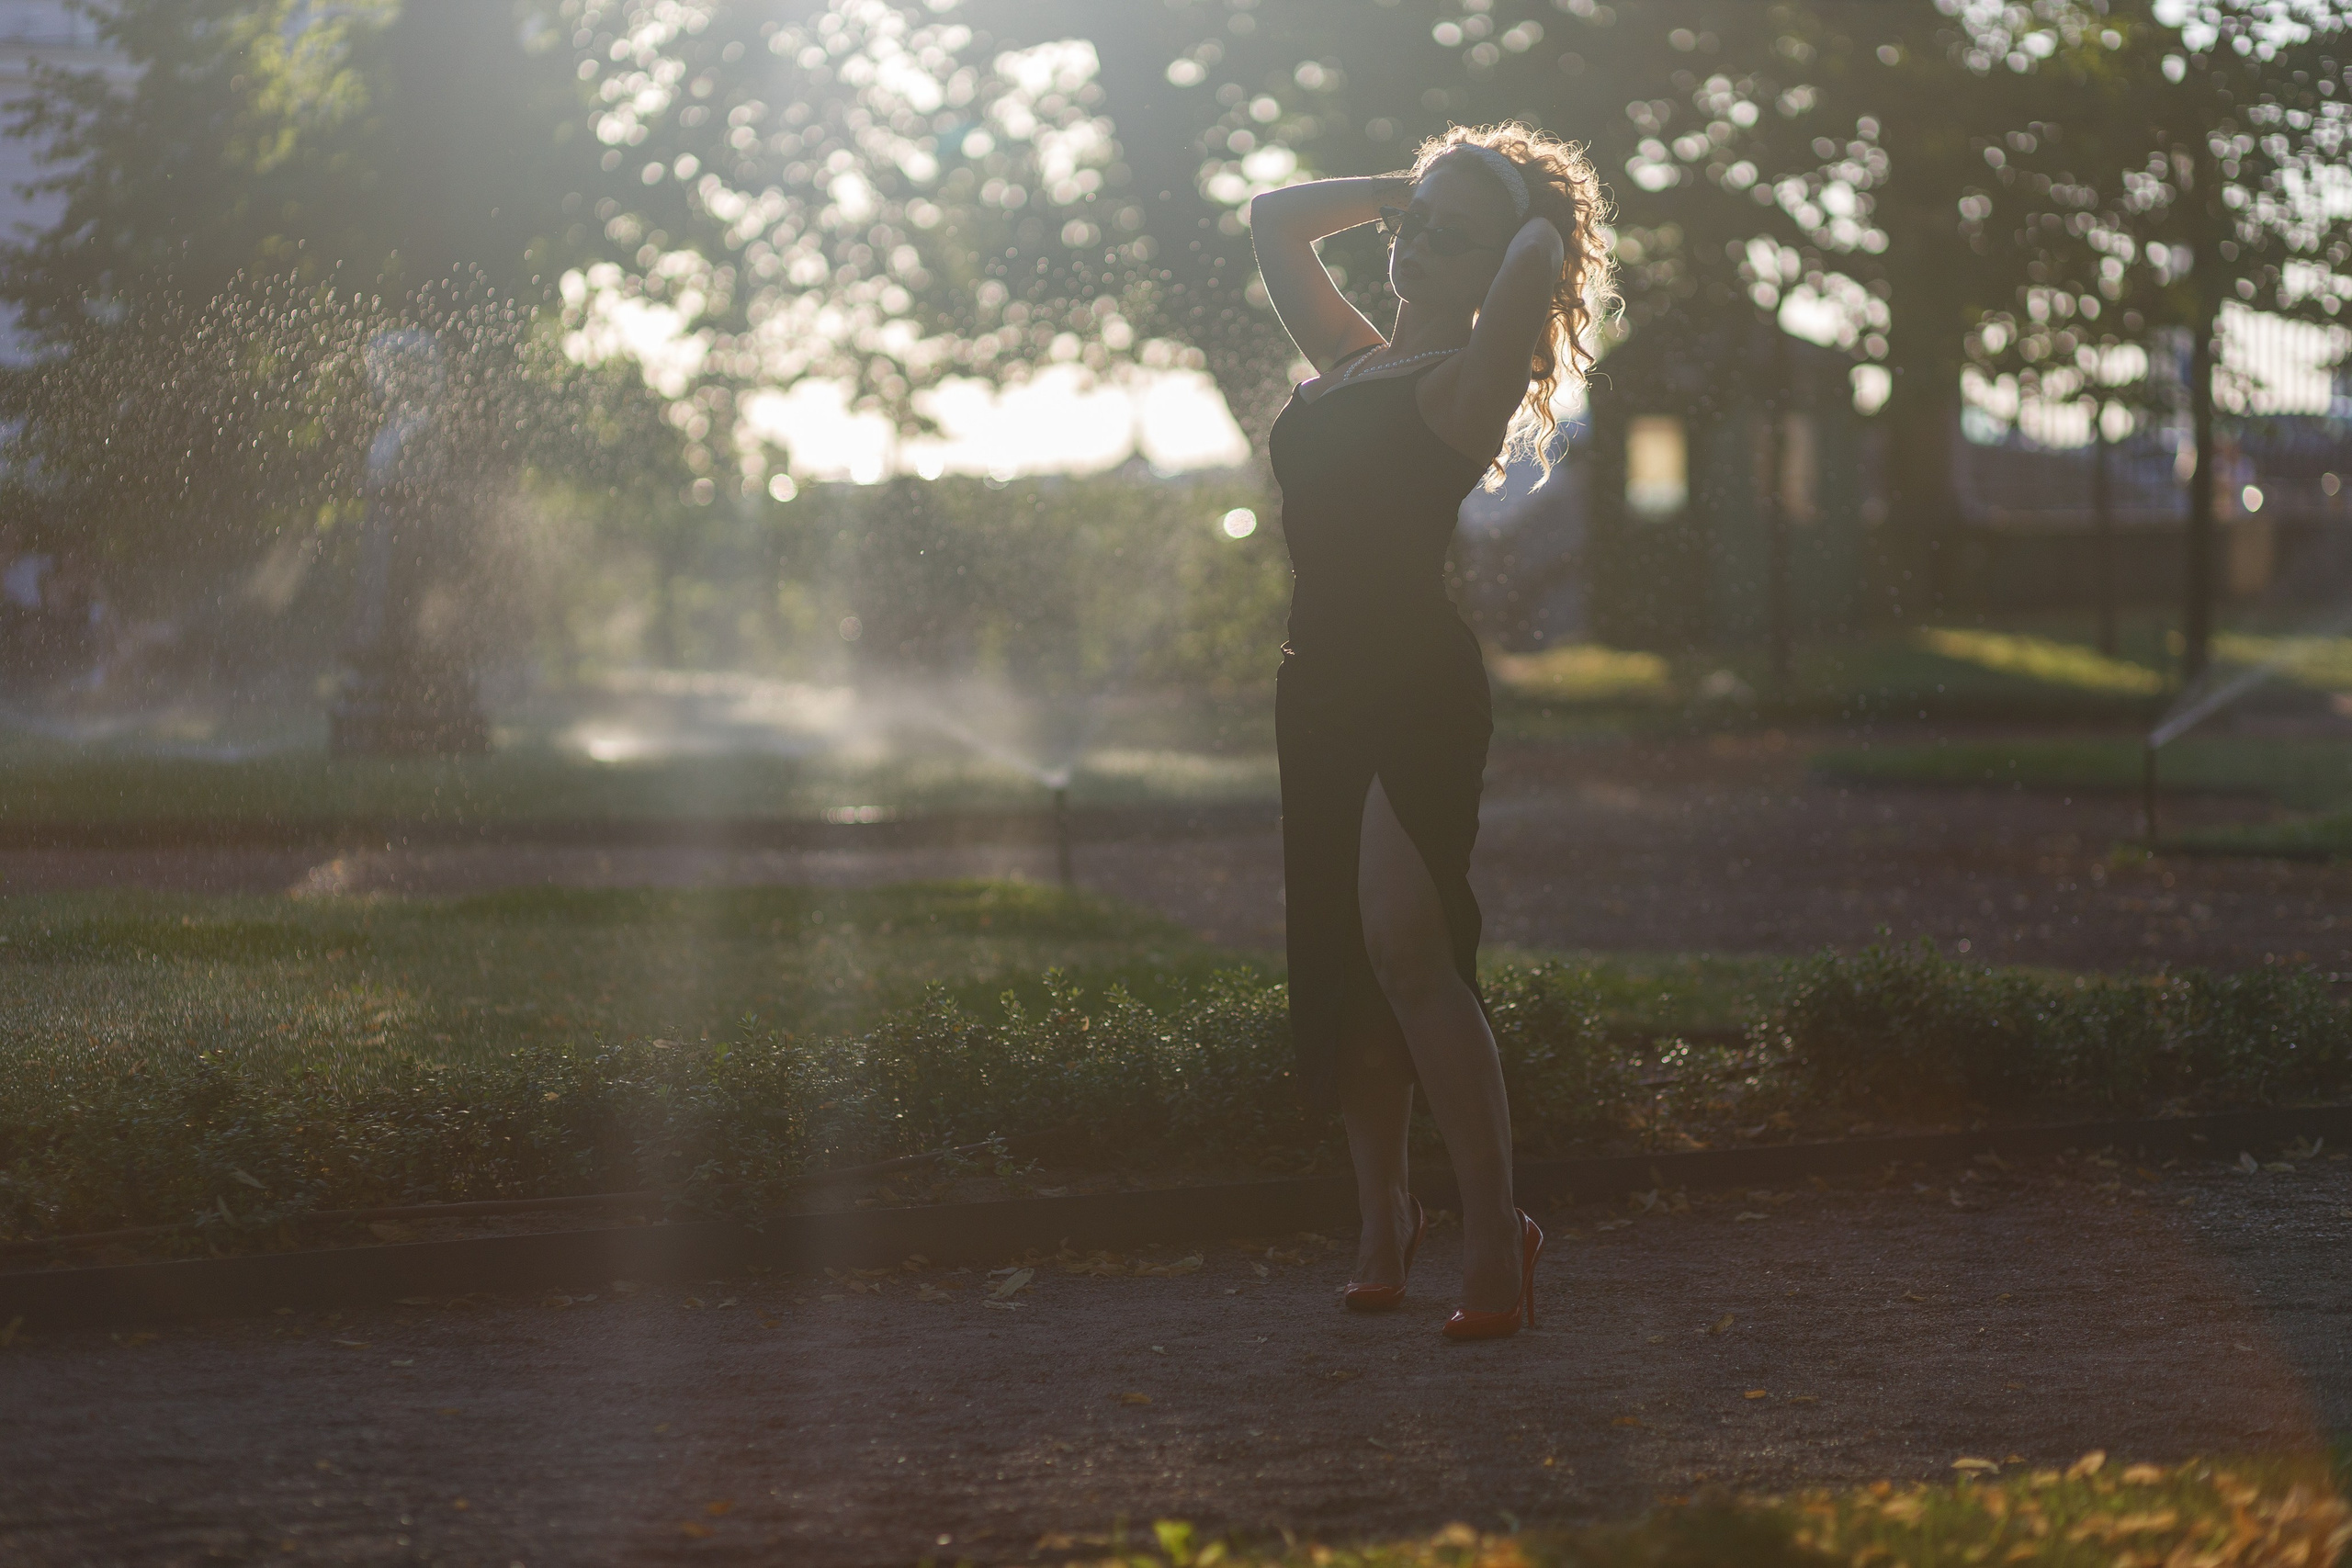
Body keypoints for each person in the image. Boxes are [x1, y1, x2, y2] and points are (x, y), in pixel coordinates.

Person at [1247, 122, 1614, 1340]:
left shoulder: (1466, 382)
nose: (1419, 241)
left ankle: (1497, 1227)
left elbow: (1526, 270)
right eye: (1416, 222)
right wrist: (1411, 186)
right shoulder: (1348, 360)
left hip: (1414, 685)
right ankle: (1382, 1219)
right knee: (1345, 959)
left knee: (1409, 950)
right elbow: (1272, 219)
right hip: (1319, 684)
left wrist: (1523, 217)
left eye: (1452, 233)